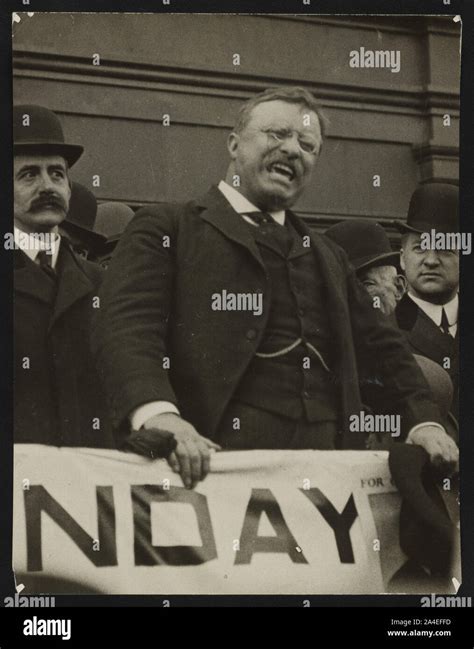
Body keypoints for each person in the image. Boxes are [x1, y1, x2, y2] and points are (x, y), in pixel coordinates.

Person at [93, 87, 458, 489]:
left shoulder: (328, 255)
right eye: (276, 134)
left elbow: (385, 346)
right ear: (234, 144)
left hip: (328, 482)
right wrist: (161, 417)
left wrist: (424, 421)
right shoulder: (167, 229)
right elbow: (128, 332)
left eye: (307, 144)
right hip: (209, 472)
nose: (292, 150)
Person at [13, 104, 114, 448]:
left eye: (57, 174)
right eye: (29, 175)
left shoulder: (101, 283)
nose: (47, 186)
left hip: (87, 488)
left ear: (70, 189)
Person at [325, 218, 457, 443]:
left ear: (398, 288)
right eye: (343, 289)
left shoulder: (425, 366)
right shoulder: (321, 362)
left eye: (366, 285)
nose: (354, 300)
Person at [396, 183, 459, 418]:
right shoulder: (382, 331)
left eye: (444, 248)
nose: (431, 260)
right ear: (403, 258)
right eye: (420, 248)